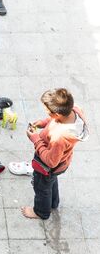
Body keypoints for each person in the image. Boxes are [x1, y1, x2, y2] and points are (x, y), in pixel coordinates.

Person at [21, 88, 88, 219]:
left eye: (48, 112)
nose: (47, 113)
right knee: (50, 183)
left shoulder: (60, 138)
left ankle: (41, 212)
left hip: (48, 166)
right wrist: (43, 123)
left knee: (42, 188)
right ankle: (53, 203)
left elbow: (51, 161)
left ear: (57, 114)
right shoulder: (74, 109)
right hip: (61, 164)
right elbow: (54, 121)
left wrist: (36, 140)